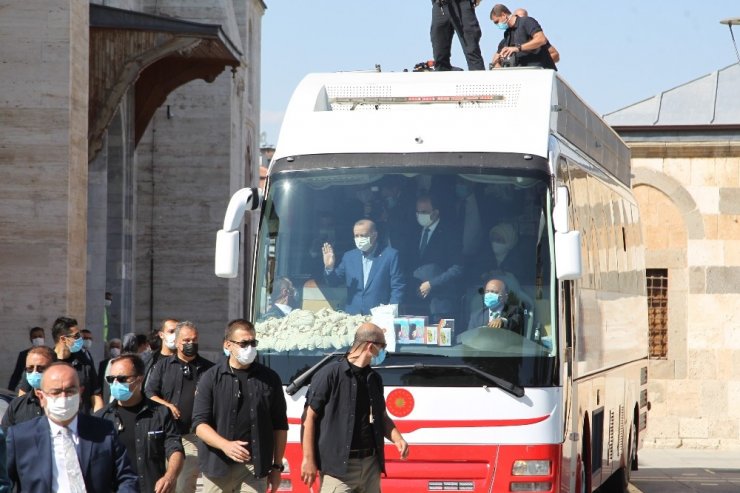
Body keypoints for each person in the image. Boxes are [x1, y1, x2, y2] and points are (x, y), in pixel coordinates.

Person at [301, 323, 409, 492]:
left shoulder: (374, 379)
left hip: (370, 466)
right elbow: (309, 419)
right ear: (370, 346)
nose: (384, 352)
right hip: (338, 470)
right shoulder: (329, 374)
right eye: (383, 347)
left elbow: (381, 416)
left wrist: (397, 438)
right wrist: (308, 460)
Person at [6, 362, 138, 492]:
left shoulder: (103, 431)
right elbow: (5, 482)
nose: (64, 398)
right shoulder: (20, 437)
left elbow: (127, 478)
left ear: (80, 393)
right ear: (41, 397)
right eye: (56, 392)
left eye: (70, 391)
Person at [193, 319, 288, 493]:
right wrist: (225, 445)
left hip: (255, 468)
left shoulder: (270, 378)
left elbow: (280, 425)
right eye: (244, 343)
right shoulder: (210, 377)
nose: (250, 348)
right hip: (217, 466)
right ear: (228, 345)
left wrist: (277, 466)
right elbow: (199, 425)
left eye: (253, 343)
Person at [96, 354, 184, 492]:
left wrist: (170, 476)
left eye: (122, 378)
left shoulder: (160, 413)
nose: (116, 383)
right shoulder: (102, 418)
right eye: (111, 379)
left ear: (139, 379)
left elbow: (175, 448)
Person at [145, 320, 214, 493]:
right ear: (176, 342)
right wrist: (166, 405)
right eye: (186, 341)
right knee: (165, 483)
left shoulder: (210, 370)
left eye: (194, 340)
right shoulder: (162, 366)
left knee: (184, 482)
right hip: (166, 434)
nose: (191, 344)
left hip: (192, 436)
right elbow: (149, 393)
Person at [16, 317, 103, 413]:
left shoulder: (84, 363)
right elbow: (23, 394)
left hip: (79, 422)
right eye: (76, 336)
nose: (80, 339)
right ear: (63, 339)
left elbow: (96, 396)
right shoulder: (42, 362)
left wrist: (98, 420)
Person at [322, 219, 405, 315]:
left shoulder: (390, 255)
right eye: (356, 236)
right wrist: (329, 267)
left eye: (363, 235)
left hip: (380, 315)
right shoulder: (349, 257)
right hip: (353, 316)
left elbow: (397, 286)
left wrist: (392, 310)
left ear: (374, 235)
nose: (359, 239)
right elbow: (334, 282)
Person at [407, 194, 463, 323]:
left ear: (436, 212)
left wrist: (432, 284)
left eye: (424, 212)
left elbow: (457, 268)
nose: (420, 215)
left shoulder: (450, 233)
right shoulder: (414, 231)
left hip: (442, 300)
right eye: (418, 212)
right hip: (417, 302)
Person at [1, 346, 55, 429]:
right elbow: (7, 437)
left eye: (41, 368)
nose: (35, 372)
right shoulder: (16, 405)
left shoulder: (63, 403)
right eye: (30, 368)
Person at [489, 4, 556, 70]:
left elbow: (541, 39)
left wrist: (518, 48)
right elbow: (495, 62)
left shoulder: (526, 21)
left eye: (497, 22)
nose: (497, 25)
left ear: (503, 15)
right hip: (524, 75)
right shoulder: (508, 34)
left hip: (541, 73)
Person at [430, 0, 485, 71]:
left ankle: (478, 81)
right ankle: (443, 80)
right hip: (439, 5)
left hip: (462, 4)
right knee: (439, 54)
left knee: (472, 50)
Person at [7, 326, 46, 391]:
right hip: (28, 388)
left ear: (44, 337)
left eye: (40, 336)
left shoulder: (50, 354)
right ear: (31, 339)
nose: (38, 339)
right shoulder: (24, 354)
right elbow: (17, 373)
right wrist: (11, 389)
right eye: (35, 337)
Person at [97, 337, 122, 404]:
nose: (115, 349)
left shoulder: (123, 363)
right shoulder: (103, 364)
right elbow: (100, 381)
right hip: (105, 396)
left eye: (117, 347)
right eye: (112, 347)